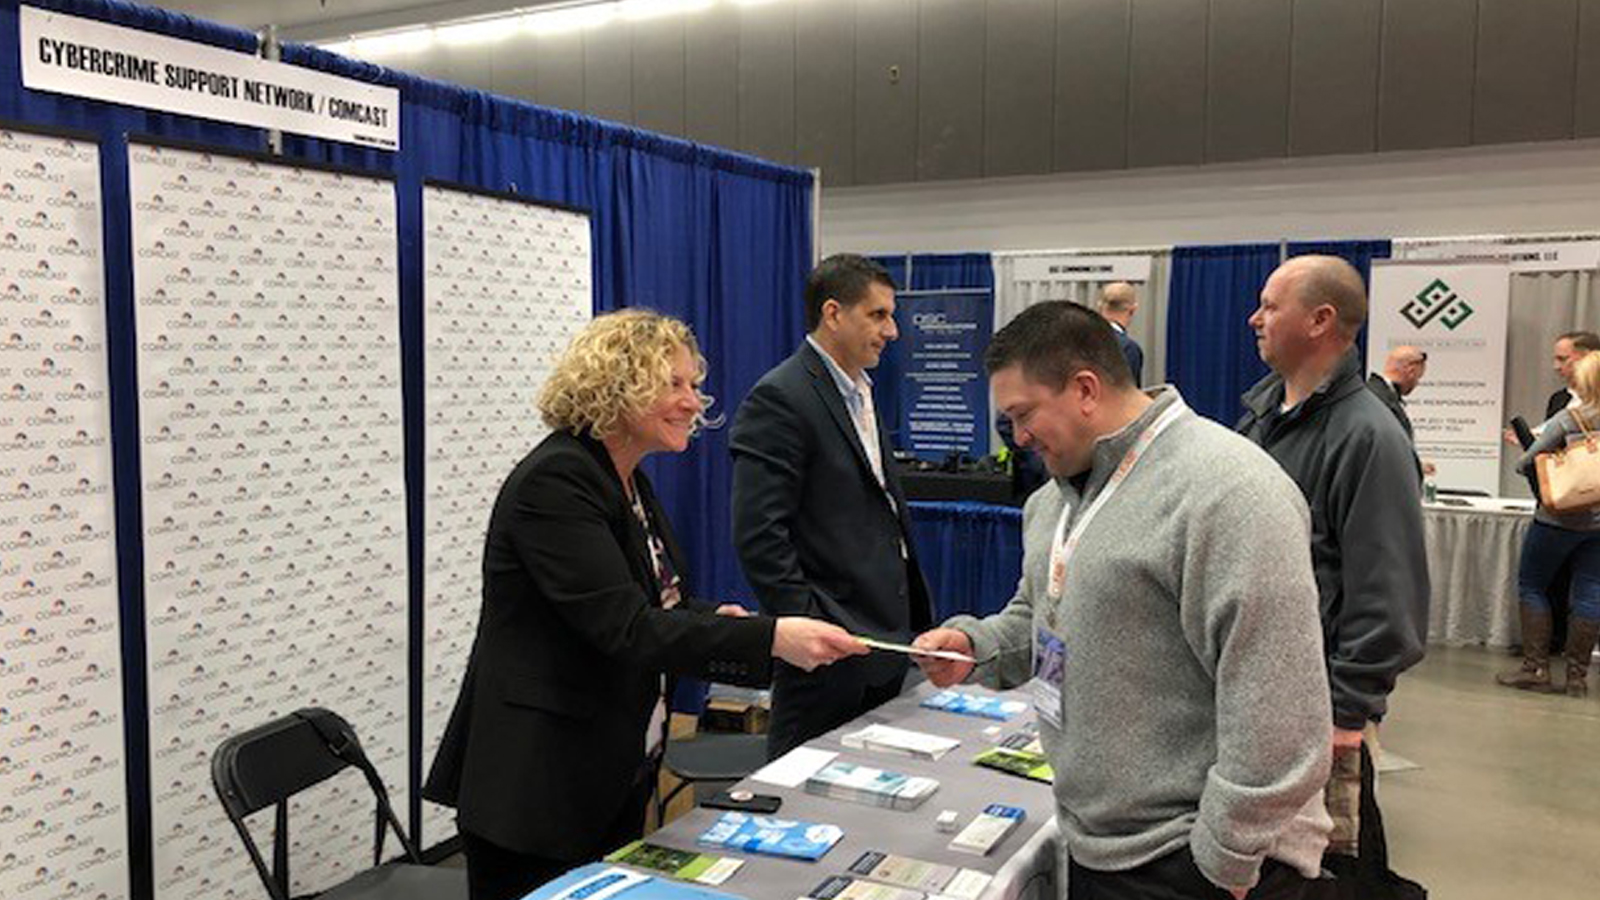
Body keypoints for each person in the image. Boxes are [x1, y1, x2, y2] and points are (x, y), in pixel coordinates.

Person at [423, 310, 867, 900]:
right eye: (673, 384)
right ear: (616, 385)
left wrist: (717, 621)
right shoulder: (556, 481)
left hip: (607, 771)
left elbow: (660, 600)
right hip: (538, 787)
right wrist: (770, 639)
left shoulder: (625, 477)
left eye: (692, 383)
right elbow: (626, 628)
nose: (693, 401)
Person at [912, 301, 1332, 900]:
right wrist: (975, 647)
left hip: (1195, 864)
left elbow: (1279, 709)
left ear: (1085, 389)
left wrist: (1224, 859)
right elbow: (1040, 614)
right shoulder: (1054, 500)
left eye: (1023, 415)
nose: (1019, 437)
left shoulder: (1231, 491)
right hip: (1097, 844)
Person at [1236, 255, 1428, 892]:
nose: (1254, 318)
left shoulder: (1367, 435)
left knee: (1327, 873)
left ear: (1320, 320)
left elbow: (1388, 595)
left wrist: (1347, 714)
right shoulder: (1261, 415)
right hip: (1254, 699)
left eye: (1270, 305)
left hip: (1319, 715)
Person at [731, 253, 933, 759]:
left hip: (883, 645)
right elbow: (759, 534)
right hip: (826, 655)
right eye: (878, 315)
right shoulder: (781, 397)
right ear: (833, 313)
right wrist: (810, 625)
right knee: (805, 804)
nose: (892, 332)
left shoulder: (862, 392)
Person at [1497, 352, 1600, 697]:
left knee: (1533, 585)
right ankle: (1577, 677)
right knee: (1590, 591)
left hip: (1557, 519)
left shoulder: (1570, 417)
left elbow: (1527, 461)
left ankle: (1536, 668)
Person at [1366, 346, 1426, 441]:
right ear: (1411, 371)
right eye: (1418, 377)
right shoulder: (1378, 400)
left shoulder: (1372, 394)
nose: (1416, 383)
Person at [1097, 281, 1144, 386]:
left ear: (1100, 306)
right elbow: (1129, 396)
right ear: (1133, 310)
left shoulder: (1078, 341)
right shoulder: (1128, 349)